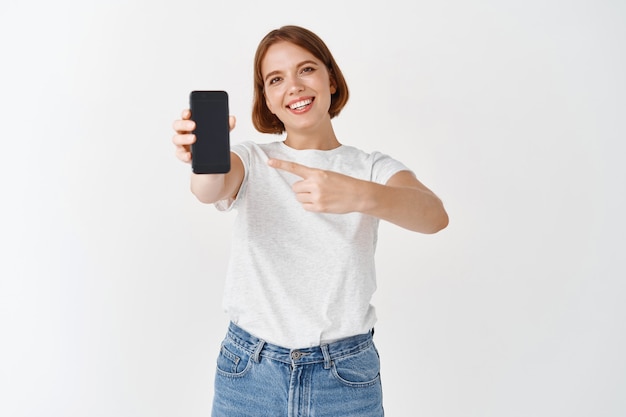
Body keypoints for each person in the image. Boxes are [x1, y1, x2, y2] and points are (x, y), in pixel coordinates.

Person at [172, 25, 448, 417]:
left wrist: (356, 193)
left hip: (346, 376)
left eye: (306, 69)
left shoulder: (370, 167)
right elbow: (208, 189)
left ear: (331, 79)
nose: (294, 87)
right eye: (276, 79)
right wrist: (199, 155)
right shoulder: (252, 159)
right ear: (266, 98)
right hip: (249, 371)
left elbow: (434, 216)